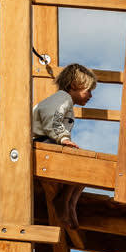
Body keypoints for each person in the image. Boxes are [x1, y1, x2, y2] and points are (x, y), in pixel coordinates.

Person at [32, 63, 96, 227]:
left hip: (46, 141)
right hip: (39, 143)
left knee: (86, 167)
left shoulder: (64, 100)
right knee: (83, 163)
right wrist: (63, 138)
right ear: (74, 85)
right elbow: (51, 117)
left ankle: (69, 202)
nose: (90, 95)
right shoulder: (62, 98)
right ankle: (65, 202)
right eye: (88, 90)